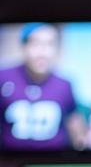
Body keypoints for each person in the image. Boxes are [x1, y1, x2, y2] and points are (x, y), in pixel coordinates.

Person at [0, 22, 86, 151]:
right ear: (24, 46)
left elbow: (75, 125)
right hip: (10, 162)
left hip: (53, 163)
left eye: (49, 44)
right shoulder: (3, 77)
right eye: (36, 43)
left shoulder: (64, 84)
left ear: (57, 50)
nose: (42, 52)